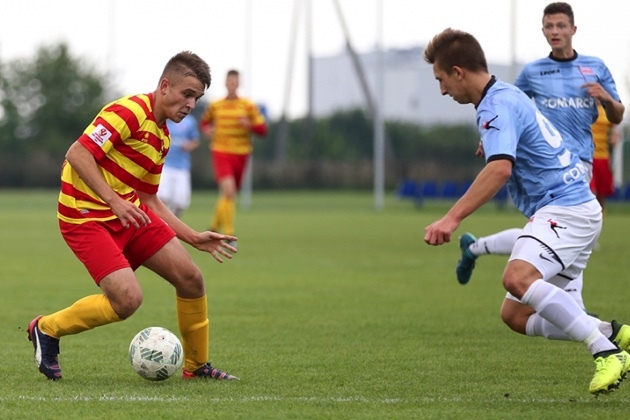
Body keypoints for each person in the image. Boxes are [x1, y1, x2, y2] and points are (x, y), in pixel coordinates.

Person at [422, 27, 630, 395]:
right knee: (515, 315)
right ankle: (614, 334)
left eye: (441, 79)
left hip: (565, 208)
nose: (442, 90)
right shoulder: (506, 94)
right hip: (573, 208)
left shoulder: (496, 104)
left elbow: (500, 169)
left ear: (458, 72)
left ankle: (606, 352)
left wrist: (451, 218)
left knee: (517, 277)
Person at [27, 51, 239, 381]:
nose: (190, 104)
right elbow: (78, 152)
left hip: (128, 214)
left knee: (191, 279)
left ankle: (196, 367)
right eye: (187, 94)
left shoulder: (162, 136)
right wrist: (113, 201)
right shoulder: (129, 111)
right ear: (165, 86)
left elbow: (149, 199)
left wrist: (194, 236)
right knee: (127, 300)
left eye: (196, 98)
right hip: (84, 217)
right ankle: (46, 328)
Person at [456, 2, 624, 310]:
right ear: (543, 30)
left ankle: (476, 249)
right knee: (550, 232)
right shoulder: (533, 72)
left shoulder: (594, 66)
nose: (555, 32)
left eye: (561, 26)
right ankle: (580, 315)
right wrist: (490, 138)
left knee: (548, 232)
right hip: (544, 165)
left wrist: (607, 99)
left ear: (573, 29)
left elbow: (617, 115)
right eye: (549, 26)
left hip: (579, 163)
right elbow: (508, 105)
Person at [199, 69, 267, 244]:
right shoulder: (216, 105)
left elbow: (263, 130)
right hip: (221, 151)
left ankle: (213, 227)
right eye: (230, 82)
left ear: (239, 84)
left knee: (228, 195)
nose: (232, 85)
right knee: (229, 191)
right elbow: (204, 123)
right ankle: (229, 234)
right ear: (225, 83)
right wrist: (207, 130)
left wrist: (249, 124)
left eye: (235, 82)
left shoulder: (248, 105)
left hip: (241, 154)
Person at [157, 113, 200, 218]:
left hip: (182, 167)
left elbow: (195, 140)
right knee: (162, 197)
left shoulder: (189, 121)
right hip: (164, 165)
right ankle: (162, 225)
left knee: (181, 203)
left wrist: (189, 146)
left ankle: (173, 224)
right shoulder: (163, 119)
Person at [590, 102, 621, 212]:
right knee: (590, 190)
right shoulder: (586, 108)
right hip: (589, 157)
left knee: (601, 193)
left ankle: (600, 217)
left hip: (603, 157)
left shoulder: (607, 111)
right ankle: (589, 215)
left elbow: (616, 130)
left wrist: (615, 137)